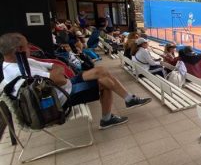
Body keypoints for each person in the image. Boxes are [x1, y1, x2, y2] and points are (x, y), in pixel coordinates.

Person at [0, 33, 152, 129]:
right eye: (27, 45)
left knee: (101, 70)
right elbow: (59, 77)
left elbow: (57, 65)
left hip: (63, 86)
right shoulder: (18, 70)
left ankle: (129, 99)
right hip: (61, 98)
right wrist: (56, 72)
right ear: (19, 49)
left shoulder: (23, 61)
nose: (30, 47)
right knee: (105, 83)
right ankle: (107, 118)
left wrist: (55, 72)